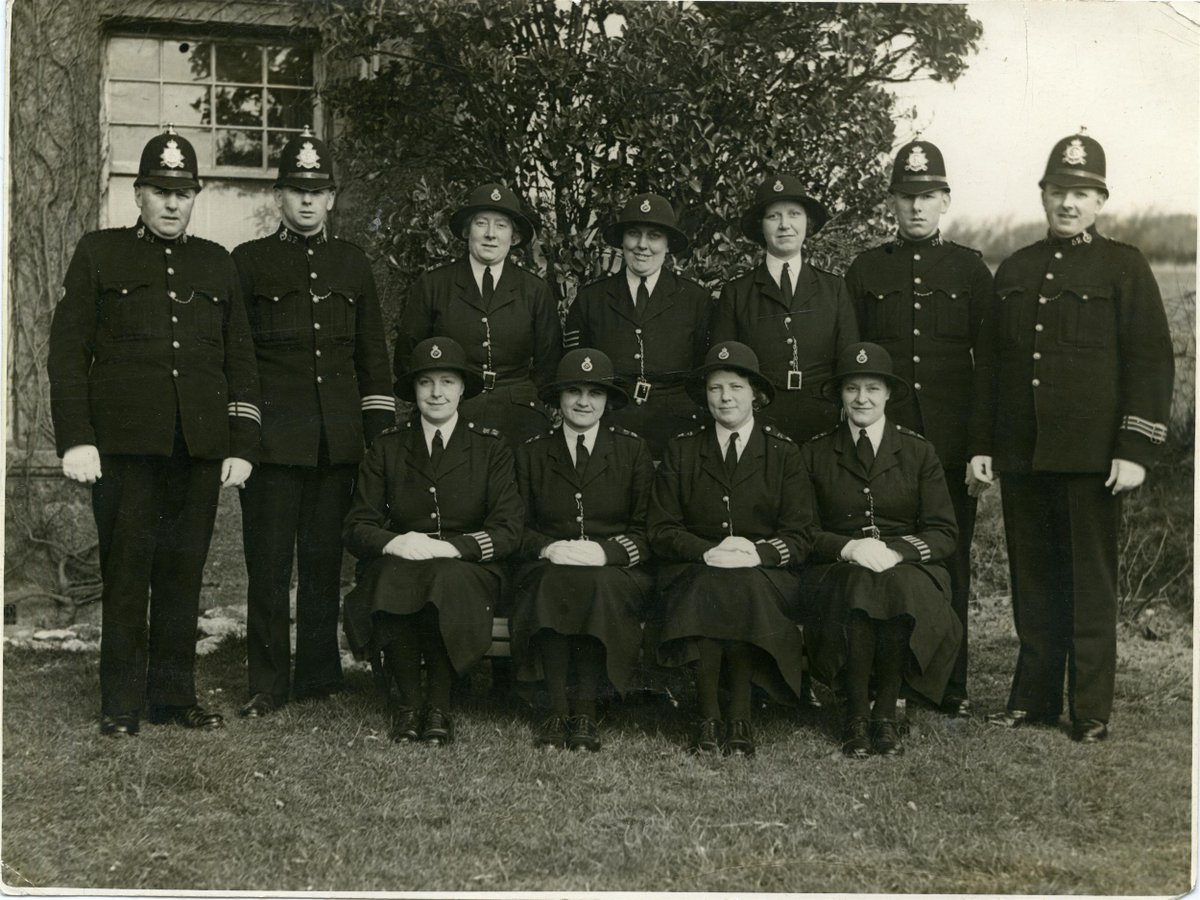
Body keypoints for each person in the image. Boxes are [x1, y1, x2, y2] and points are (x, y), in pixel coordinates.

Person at [47, 127, 260, 737]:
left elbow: (239, 359)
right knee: (127, 570)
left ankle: (171, 697)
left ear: (196, 197)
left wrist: (241, 444)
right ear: (137, 194)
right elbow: (67, 352)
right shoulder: (100, 252)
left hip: (196, 448)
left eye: (183, 192)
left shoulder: (215, 262)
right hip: (123, 448)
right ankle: (120, 702)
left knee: (182, 571)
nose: (172, 203)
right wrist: (76, 438)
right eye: (160, 191)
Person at [968, 131, 1174, 743]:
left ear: (1101, 199)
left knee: (1088, 582)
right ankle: (1031, 700)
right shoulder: (1016, 267)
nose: (1068, 203)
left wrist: (1135, 449)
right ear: (1043, 195)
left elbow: (1151, 361)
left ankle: (1089, 709)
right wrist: (983, 445)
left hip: (1092, 459)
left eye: (1081, 193)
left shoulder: (1124, 265)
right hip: (1025, 456)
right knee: (1033, 580)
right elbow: (993, 369)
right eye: (1058, 190)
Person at [231, 127, 395, 718]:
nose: (307, 200)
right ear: (280, 196)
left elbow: (372, 359)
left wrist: (378, 444)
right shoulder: (248, 263)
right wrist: (245, 438)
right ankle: (268, 682)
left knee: (325, 564)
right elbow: (239, 357)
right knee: (269, 567)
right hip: (274, 445)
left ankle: (321, 675)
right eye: (296, 190)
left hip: (337, 445)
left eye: (318, 190)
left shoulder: (352, 265)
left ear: (332, 199)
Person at [843, 140, 994, 718]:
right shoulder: (867, 269)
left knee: (949, 559)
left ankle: (948, 684)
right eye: (906, 197)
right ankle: (889, 679)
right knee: (881, 551)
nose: (916, 207)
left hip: (952, 445)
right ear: (892, 203)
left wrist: (982, 448)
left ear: (945, 200)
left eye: (927, 195)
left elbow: (990, 368)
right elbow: (852, 359)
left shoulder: (970, 268)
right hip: (884, 442)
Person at [342, 337, 523, 744]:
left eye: (447, 382)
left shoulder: (490, 448)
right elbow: (357, 525)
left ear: (462, 389)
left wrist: (455, 547)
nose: (437, 393)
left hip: (468, 571)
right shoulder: (387, 447)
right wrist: (394, 542)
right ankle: (408, 705)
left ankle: (439, 704)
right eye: (426, 383)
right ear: (414, 392)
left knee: (443, 577)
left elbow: (509, 529)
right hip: (403, 565)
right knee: (395, 574)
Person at [797, 342, 961, 758]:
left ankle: (885, 710)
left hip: (905, 567)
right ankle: (855, 712)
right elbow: (802, 530)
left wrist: (900, 551)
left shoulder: (918, 451)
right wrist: (849, 547)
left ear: (889, 394)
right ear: (840, 395)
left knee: (899, 585)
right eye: (852, 389)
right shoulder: (815, 452)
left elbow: (944, 531)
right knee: (859, 585)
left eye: (872, 388)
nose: (862, 399)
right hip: (840, 567)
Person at [649, 342, 810, 756]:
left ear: (755, 393)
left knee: (740, 585)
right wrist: (707, 551)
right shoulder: (682, 449)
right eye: (716, 388)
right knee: (716, 583)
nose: (725, 398)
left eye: (736, 387)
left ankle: (737, 715)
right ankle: (709, 716)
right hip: (694, 570)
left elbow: (801, 534)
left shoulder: (783, 453)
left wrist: (758, 554)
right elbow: (662, 528)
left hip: (765, 575)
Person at [511, 349, 655, 751]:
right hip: (547, 568)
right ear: (558, 399)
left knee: (596, 584)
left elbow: (649, 531)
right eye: (573, 391)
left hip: (615, 572)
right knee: (557, 581)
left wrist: (608, 552)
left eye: (595, 393)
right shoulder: (532, 452)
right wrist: (548, 548)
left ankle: (587, 710)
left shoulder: (632, 451)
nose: (583, 402)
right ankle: (557, 709)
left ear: (608, 401)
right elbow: (514, 529)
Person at [394, 182, 561, 448]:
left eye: (501, 226)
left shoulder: (534, 291)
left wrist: (528, 402)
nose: (491, 234)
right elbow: (408, 357)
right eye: (481, 223)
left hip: (520, 418)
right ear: (466, 230)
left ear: (514, 237)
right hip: (453, 413)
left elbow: (549, 364)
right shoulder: (434, 285)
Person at [563, 193, 713, 459]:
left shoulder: (695, 300)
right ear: (622, 240)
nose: (642, 245)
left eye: (654, 236)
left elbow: (705, 373)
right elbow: (575, 370)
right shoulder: (591, 299)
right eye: (634, 234)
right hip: (611, 426)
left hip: (679, 430)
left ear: (668, 244)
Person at [711, 173, 858, 444]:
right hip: (760, 426)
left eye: (794, 214)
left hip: (823, 426)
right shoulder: (737, 292)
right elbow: (726, 369)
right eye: (773, 216)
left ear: (807, 222)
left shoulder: (834, 288)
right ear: (761, 226)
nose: (784, 225)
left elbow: (848, 363)